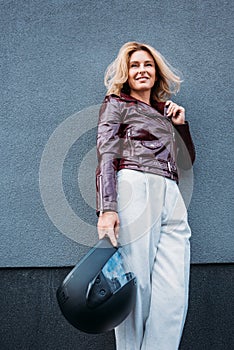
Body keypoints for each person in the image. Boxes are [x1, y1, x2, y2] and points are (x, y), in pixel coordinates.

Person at [96, 41, 195, 350]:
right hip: (135, 186)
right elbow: (107, 154)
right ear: (127, 73)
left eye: (148, 65)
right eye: (135, 65)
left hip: (170, 192)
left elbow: (186, 162)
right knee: (135, 287)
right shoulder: (117, 103)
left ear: (156, 72)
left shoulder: (164, 112)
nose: (142, 70)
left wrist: (180, 127)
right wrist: (107, 207)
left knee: (173, 292)